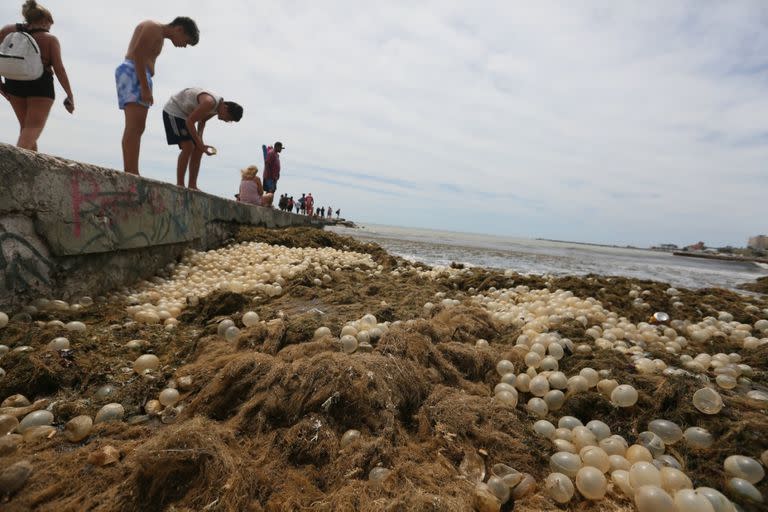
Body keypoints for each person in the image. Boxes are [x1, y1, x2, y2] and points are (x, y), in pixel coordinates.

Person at [117, 17, 199, 175]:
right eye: (186, 41)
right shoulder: (153, 27)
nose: (184, 46)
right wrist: (145, 87)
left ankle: (132, 169)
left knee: (138, 127)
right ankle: (131, 170)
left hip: (139, 75)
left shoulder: (159, 34)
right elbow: (138, 54)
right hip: (135, 72)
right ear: (179, 29)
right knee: (134, 126)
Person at [0, 1, 74, 151]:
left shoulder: (8, 31)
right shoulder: (50, 40)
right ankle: (13, 164)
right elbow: (60, 69)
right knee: (32, 129)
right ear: (44, 21)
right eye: (50, 24)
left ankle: (27, 171)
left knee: (26, 129)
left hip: (13, 81)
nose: (50, 27)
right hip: (40, 84)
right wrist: (69, 94)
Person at [162, 87, 243, 189]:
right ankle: (180, 184)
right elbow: (190, 122)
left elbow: (202, 121)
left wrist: (200, 141)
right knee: (188, 147)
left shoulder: (216, 108)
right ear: (226, 108)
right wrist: (200, 144)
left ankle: (192, 185)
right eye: (229, 118)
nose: (227, 121)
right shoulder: (209, 103)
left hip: (186, 116)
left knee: (198, 149)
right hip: (174, 111)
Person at [262, 141, 284, 206]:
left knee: (271, 191)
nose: (281, 150)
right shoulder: (271, 153)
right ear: (277, 147)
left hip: (274, 178)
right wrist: (271, 175)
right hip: (270, 177)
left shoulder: (276, 155)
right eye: (280, 148)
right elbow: (267, 164)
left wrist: (277, 175)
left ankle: (267, 204)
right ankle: (267, 204)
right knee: (270, 191)